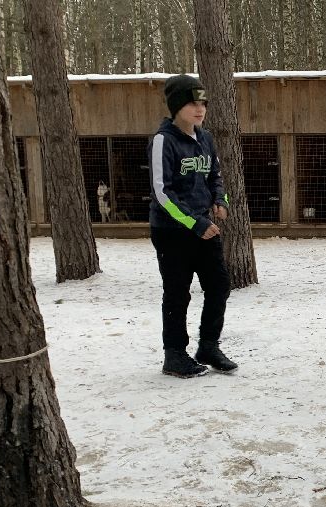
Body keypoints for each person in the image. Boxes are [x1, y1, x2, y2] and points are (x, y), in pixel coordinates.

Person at [148, 74, 238, 378]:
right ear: (176, 106)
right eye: (192, 102)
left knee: (219, 285)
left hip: (204, 227)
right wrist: (195, 223)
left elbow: (215, 175)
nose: (199, 109)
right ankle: (174, 354)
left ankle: (208, 346)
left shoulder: (206, 138)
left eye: (203, 102)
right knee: (177, 293)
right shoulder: (164, 140)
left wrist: (220, 201)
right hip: (172, 231)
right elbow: (163, 192)